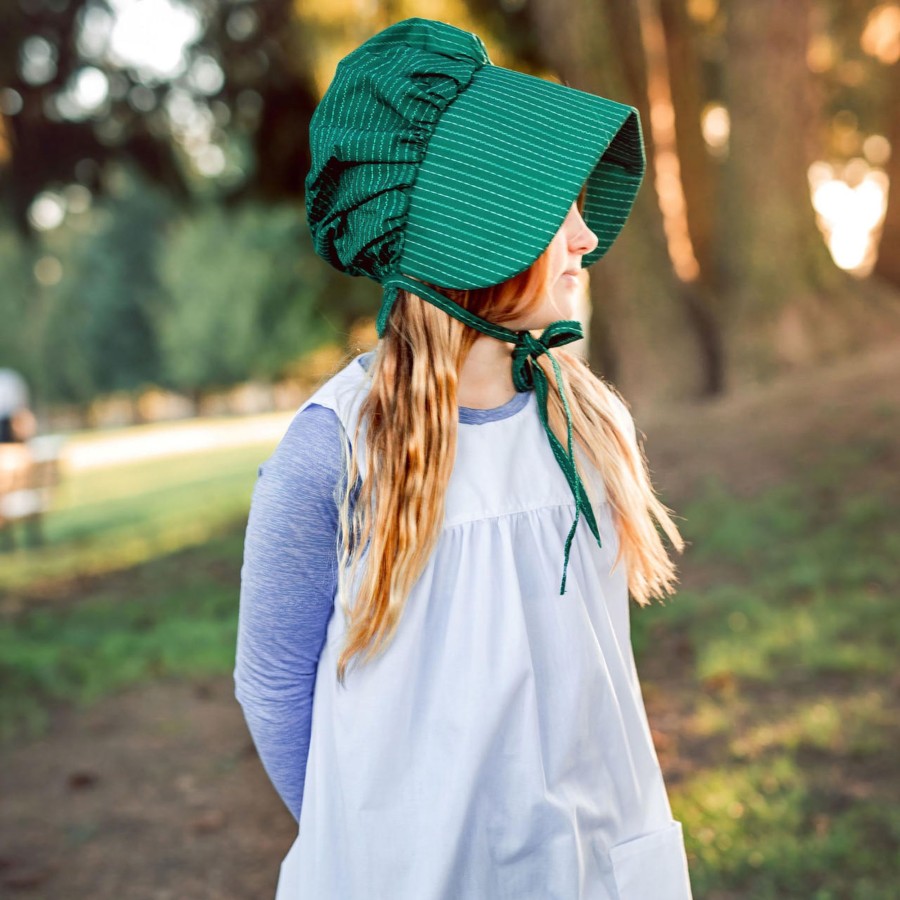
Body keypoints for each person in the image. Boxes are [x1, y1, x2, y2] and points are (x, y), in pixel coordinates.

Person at [235, 17, 693, 900]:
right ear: (472, 236)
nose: (586, 238)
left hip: (594, 866)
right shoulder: (332, 454)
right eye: (552, 209)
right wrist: (372, 837)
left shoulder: (584, 421)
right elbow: (273, 689)